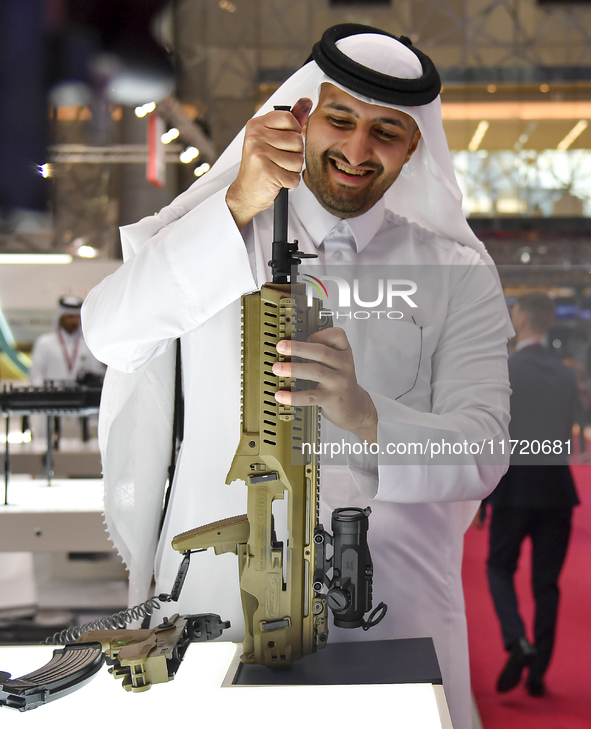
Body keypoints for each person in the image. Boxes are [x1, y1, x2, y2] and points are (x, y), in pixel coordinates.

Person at [82, 25, 512, 729]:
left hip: (385, 612)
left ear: (413, 149)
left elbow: (482, 449)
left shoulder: (456, 273)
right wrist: (233, 208)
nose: (357, 148)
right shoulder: (218, 232)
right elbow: (109, 331)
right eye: (340, 119)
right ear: (302, 117)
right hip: (216, 606)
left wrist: (366, 415)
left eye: (387, 132)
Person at [482, 292, 579, 697]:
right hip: (557, 492)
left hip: (513, 490)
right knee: (547, 585)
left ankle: (516, 638)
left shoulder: (504, 370)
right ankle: (539, 671)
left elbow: (494, 438)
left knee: (499, 568)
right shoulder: (567, 373)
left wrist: (482, 498)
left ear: (520, 320)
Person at [29, 295, 105, 386]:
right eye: (70, 317)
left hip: (82, 397)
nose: (74, 321)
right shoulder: (44, 342)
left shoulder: (88, 344)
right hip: (51, 396)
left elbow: (98, 373)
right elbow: (35, 375)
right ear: (60, 318)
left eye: (77, 317)